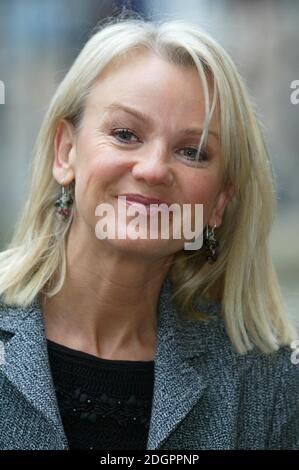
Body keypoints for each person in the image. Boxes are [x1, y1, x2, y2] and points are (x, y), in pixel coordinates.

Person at [0, 13, 298, 451]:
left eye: (192, 151)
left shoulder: (267, 383)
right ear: (66, 152)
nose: (154, 169)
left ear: (219, 202)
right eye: (125, 134)